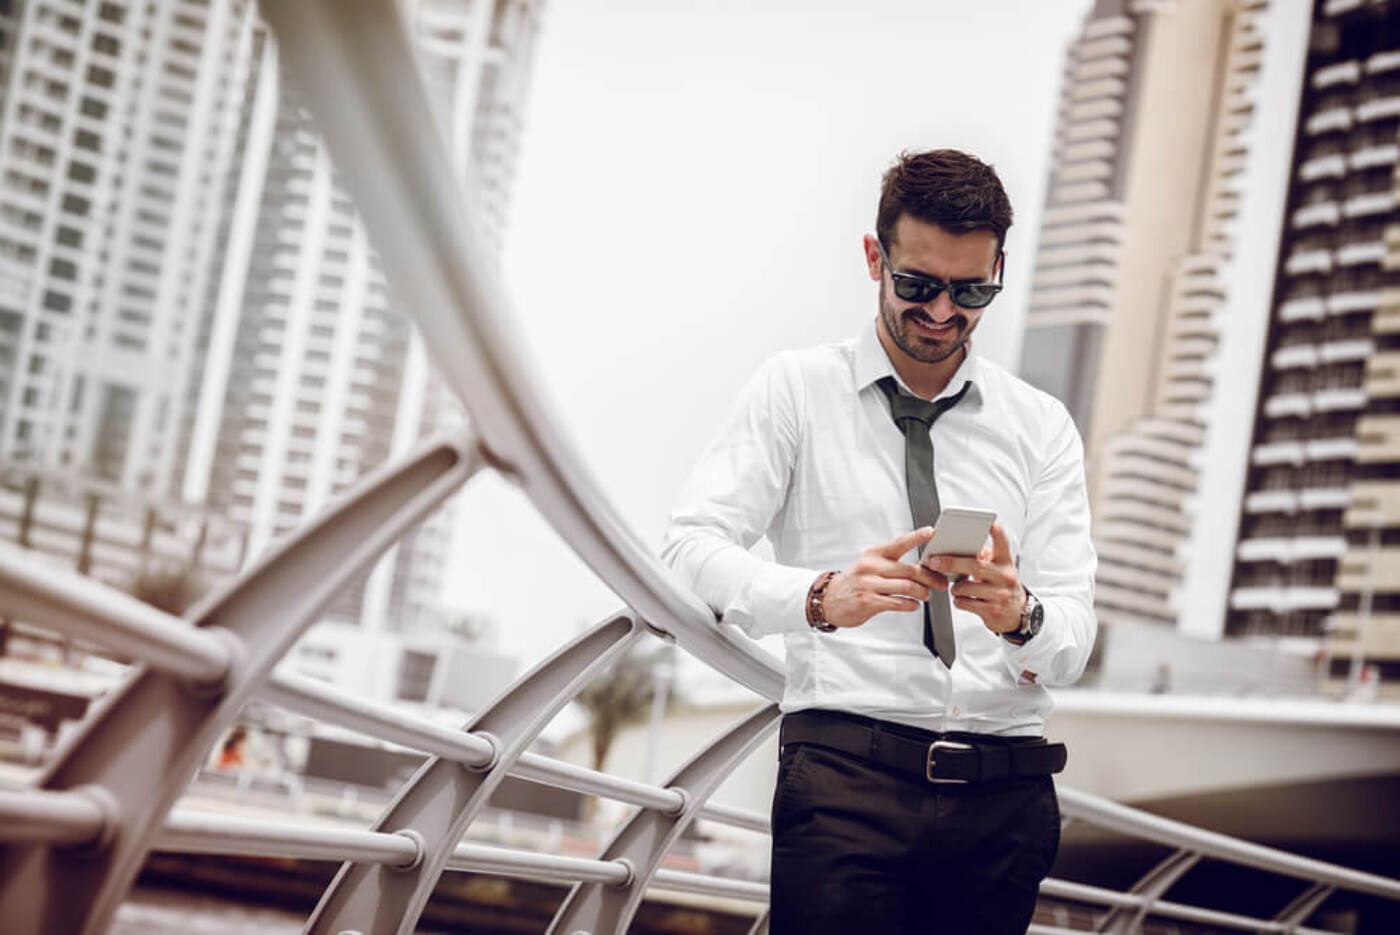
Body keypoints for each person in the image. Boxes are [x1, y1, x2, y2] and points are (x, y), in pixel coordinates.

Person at [660, 148, 1097, 934]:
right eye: (918, 285)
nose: (940, 312)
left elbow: (1072, 641)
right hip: (845, 781)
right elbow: (690, 548)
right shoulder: (795, 389)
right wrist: (820, 597)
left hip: (1005, 794)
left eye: (971, 291)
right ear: (874, 258)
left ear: (1000, 267)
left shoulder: (1042, 427)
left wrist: (1020, 613)